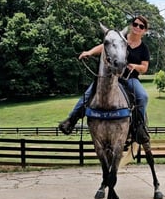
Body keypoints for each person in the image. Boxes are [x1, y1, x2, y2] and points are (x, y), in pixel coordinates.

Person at [59, 15, 151, 143]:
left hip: (129, 78)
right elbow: (104, 47)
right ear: (131, 25)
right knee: (88, 93)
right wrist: (89, 52)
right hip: (110, 76)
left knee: (143, 97)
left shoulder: (143, 48)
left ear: (145, 31)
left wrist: (135, 66)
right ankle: (71, 120)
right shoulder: (121, 39)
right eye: (135, 24)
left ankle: (139, 127)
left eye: (141, 26)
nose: (137, 27)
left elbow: (144, 67)